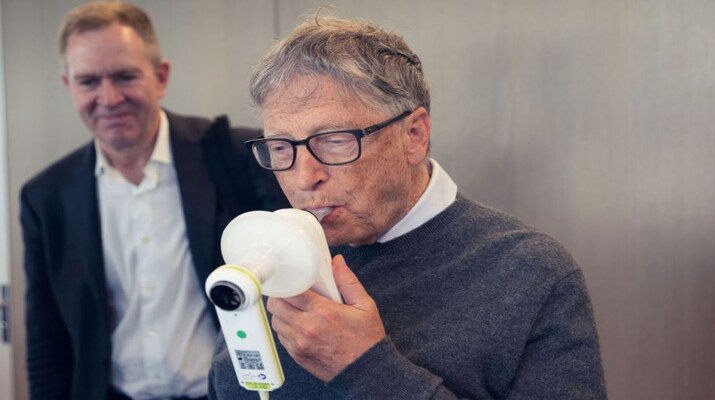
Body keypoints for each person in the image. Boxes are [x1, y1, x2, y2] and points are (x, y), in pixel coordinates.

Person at [208, 14, 606, 400]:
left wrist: (364, 368)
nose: (303, 178)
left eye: (333, 140)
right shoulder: (269, 256)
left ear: (414, 135)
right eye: (280, 147)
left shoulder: (532, 272)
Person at [19, 2, 289, 400]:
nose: (109, 98)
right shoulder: (46, 198)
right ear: (69, 86)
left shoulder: (236, 157)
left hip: (228, 393)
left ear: (160, 77)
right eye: (88, 81)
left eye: (125, 76)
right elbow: (47, 341)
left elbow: (293, 288)